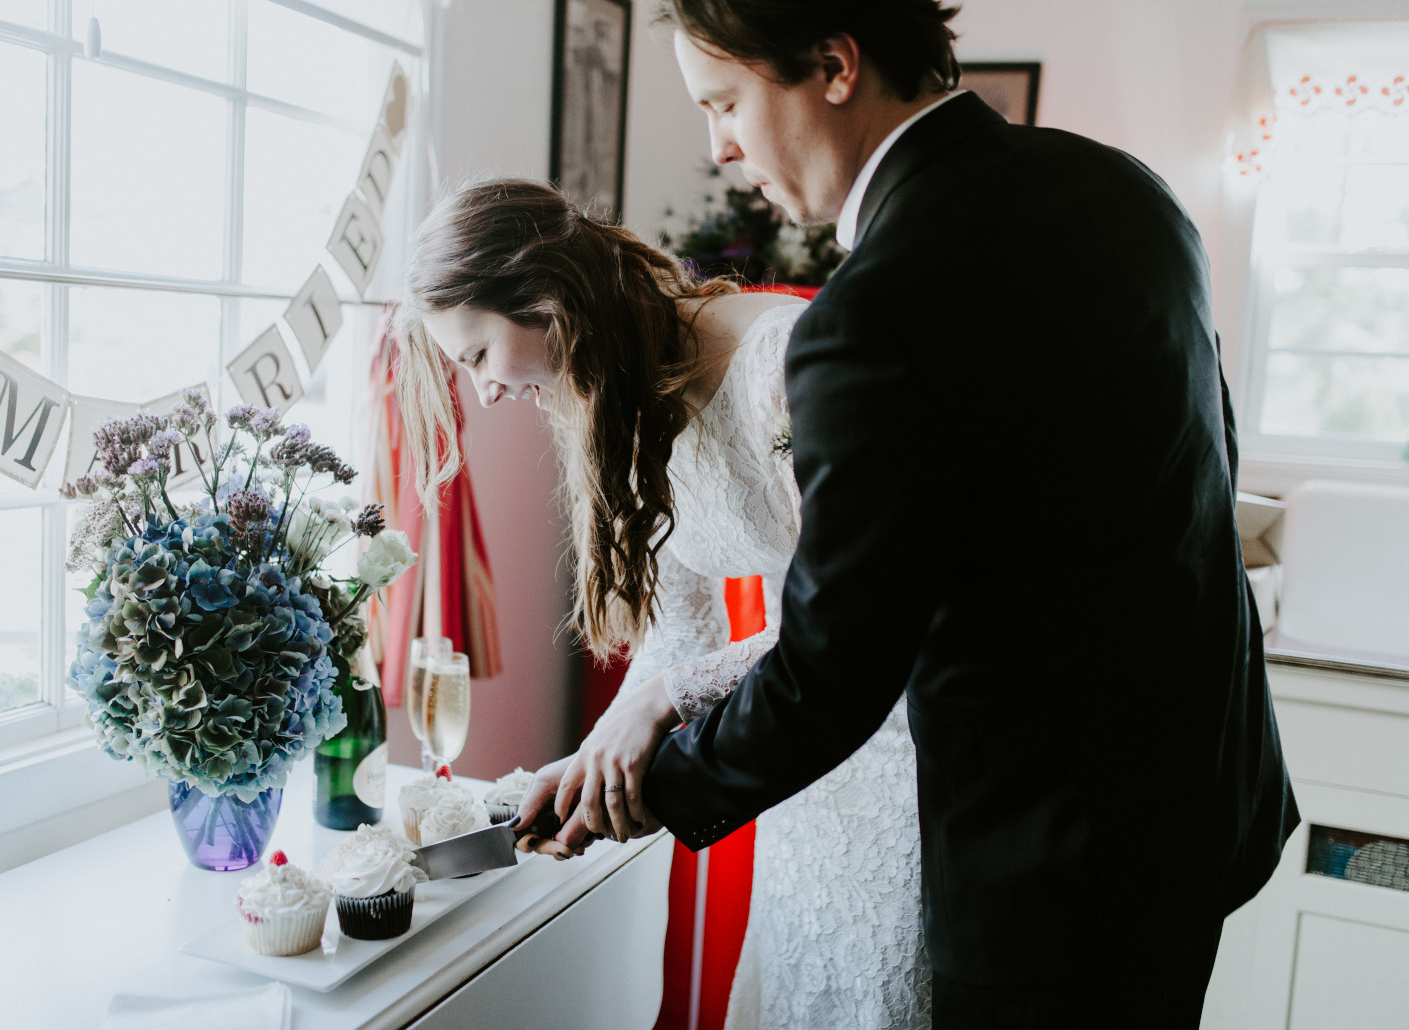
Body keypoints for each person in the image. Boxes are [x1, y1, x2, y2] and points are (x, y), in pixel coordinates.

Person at [561, 2, 1295, 1027]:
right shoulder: (1126, 191)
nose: (720, 147)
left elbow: (835, 666)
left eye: (724, 102)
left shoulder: (871, 317)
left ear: (832, 64)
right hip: (1200, 806)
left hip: (1048, 868)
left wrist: (645, 790)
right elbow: (1201, 465)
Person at [398, 178, 931, 1027]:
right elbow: (682, 628)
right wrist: (577, 771)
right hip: (807, 781)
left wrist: (659, 702)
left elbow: (863, 615)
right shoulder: (621, 401)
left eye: (476, 356)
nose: (486, 393)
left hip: (896, 738)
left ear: (545, 300)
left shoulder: (781, 364)